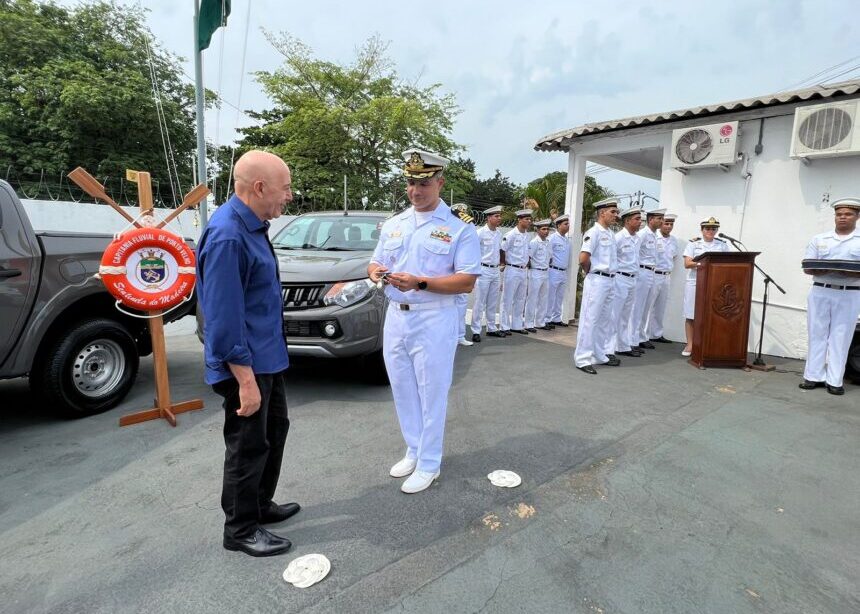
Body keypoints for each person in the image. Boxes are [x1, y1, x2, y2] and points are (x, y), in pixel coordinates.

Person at [197, 150, 298, 557]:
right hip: (246, 367)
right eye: (285, 187)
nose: (289, 196)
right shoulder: (227, 235)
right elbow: (223, 318)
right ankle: (239, 528)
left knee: (274, 433)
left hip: (266, 359)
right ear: (259, 187)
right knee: (247, 445)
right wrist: (245, 381)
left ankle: (258, 505)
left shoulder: (253, 225)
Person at [368, 149, 480, 493]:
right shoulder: (395, 224)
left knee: (431, 392)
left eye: (424, 183)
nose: (416, 190)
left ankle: (430, 462)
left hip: (434, 318)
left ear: (440, 183)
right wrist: (377, 273)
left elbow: (467, 280)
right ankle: (414, 449)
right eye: (411, 183)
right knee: (402, 388)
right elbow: (374, 262)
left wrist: (421, 282)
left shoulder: (459, 230)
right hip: (396, 317)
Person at [799, 198, 860, 395]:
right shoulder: (820, 239)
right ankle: (813, 376)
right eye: (839, 214)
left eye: (848, 214)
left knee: (840, 337)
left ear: (857, 216)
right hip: (820, 290)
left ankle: (835, 380)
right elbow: (808, 267)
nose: (843, 217)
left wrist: (847, 272)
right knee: (816, 333)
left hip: (848, 293)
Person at [574, 198, 620, 374]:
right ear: (602, 213)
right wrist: (591, 272)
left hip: (610, 279)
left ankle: (599, 354)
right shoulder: (593, 233)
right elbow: (583, 258)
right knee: (590, 319)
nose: (616, 215)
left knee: (604, 320)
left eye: (616, 212)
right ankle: (583, 358)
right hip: (598, 279)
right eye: (613, 212)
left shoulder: (609, 234)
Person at [681, 216, 729, 356]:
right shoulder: (693, 244)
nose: (710, 231)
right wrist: (703, 264)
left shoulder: (722, 245)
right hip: (695, 283)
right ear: (702, 230)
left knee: (712, 314)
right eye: (707, 228)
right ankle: (690, 344)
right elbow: (687, 264)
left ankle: (708, 343)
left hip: (715, 284)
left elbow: (727, 263)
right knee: (691, 314)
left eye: (714, 229)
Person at [608, 207, 643, 358]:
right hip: (620, 278)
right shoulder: (618, 237)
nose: (640, 222)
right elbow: (612, 258)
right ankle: (608, 349)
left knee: (625, 315)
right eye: (637, 219)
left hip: (633, 279)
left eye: (640, 219)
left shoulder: (637, 238)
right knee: (614, 315)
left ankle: (622, 345)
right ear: (627, 221)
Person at [630, 208, 665, 351]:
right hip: (642, 272)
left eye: (662, 219)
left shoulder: (655, 236)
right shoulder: (643, 234)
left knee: (646, 307)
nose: (661, 221)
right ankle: (632, 340)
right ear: (650, 220)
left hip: (652, 273)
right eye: (659, 219)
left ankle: (641, 337)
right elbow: (635, 254)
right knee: (637, 308)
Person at [470, 205, 504, 341]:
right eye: (496, 216)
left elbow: (499, 252)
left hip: (495, 270)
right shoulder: (480, 233)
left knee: (492, 301)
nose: (499, 218)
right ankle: (476, 330)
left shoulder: (499, 234)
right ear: (488, 217)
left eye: (500, 216)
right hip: (483, 269)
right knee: (480, 301)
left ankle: (491, 328)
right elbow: (473, 253)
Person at [500, 209, 533, 335]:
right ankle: (504, 326)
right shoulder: (511, 234)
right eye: (526, 219)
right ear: (519, 220)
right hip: (512, 269)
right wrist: (503, 263)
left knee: (520, 299)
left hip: (523, 270)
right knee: (507, 299)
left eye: (530, 219)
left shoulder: (527, 235)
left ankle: (517, 325)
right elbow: (502, 250)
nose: (529, 221)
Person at [648, 213, 679, 343]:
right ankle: (644, 335)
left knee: (661, 307)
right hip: (654, 274)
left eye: (671, 224)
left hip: (666, 276)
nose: (669, 226)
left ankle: (657, 334)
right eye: (666, 223)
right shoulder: (654, 238)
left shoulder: (674, 240)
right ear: (661, 223)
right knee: (649, 306)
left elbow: (674, 257)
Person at [451, 203, 476, 347]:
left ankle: (460, 335)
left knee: (461, 306)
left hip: (461, 274)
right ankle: (450, 335)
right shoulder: (448, 228)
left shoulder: (467, 229)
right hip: (448, 275)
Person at [525, 219, 552, 332]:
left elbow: (550, 257)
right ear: (537, 230)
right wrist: (535, 268)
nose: (546, 231)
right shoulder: (534, 242)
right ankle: (529, 323)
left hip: (546, 272)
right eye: (543, 229)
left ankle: (540, 322)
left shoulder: (548, 242)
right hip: (535, 272)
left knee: (543, 298)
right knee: (532, 298)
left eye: (547, 229)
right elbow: (528, 258)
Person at [547, 214, 571, 327]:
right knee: (550, 296)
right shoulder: (552, 238)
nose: (568, 226)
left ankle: (556, 318)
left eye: (568, 224)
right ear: (558, 225)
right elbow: (548, 254)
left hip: (563, 271)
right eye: (565, 224)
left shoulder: (567, 240)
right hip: (553, 270)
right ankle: (547, 319)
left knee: (559, 296)